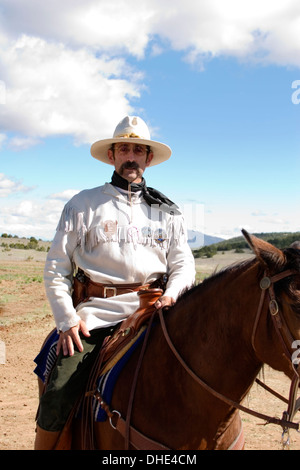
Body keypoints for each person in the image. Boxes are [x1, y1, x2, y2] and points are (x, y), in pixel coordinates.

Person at [34, 115, 195, 449]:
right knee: (61, 385)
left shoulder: (168, 212)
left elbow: (183, 265)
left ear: (149, 159)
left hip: (157, 311)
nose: (131, 156)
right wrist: (67, 320)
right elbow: (55, 267)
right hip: (97, 314)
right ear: (112, 156)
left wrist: (174, 295)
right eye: (124, 148)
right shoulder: (82, 205)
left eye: (139, 150)